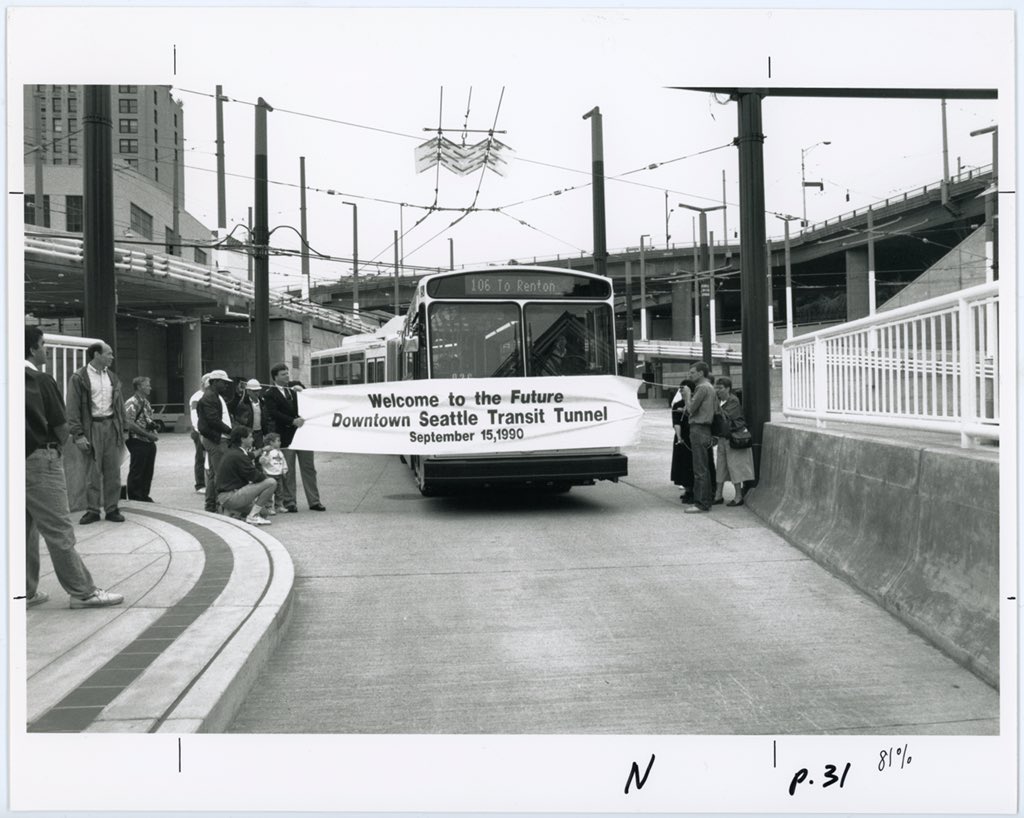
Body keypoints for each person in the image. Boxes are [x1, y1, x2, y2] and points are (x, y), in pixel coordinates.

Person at [24, 326, 124, 608]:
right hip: (39, 459)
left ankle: (24, 591)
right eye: (43, 344)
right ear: (32, 349)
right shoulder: (41, 380)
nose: (45, 349)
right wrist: (74, 438)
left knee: (22, 529)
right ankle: (83, 591)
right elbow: (60, 425)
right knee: (58, 529)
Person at [65, 339, 127, 524]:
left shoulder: (112, 378)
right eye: (108, 353)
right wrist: (78, 434)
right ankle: (92, 510)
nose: (112, 357)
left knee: (113, 471)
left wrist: (123, 429)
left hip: (111, 426)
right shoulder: (79, 377)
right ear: (96, 355)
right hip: (90, 428)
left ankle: (112, 509)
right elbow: (72, 407)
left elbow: (120, 406)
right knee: (92, 471)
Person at [264, 363, 325, 512]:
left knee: (309, 469)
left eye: (287, 373)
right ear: (275, 377)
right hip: (285, 436)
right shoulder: (269, 394)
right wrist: (292, 421)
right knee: (288, 471)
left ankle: (314, 501)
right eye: (283, 374)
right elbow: (273, 413)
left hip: (304, 436)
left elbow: (309, 398)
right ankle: (290, 502)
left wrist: (302, 391)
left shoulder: (295, 386)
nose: (287, 376)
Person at [215, 425, 278, 526]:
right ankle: (252, 516)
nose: (253, 439)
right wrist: (267, 473)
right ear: (243, 439)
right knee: (271, 482)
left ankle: (231, 511)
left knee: (264, 513)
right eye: (250, 437)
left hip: (225, 497)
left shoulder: (234, 451)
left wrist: (263, 450)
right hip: (231, 496)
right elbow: (256, 477)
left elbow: (251, 455)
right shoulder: (239, 456)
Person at [670, 378, 716, 504]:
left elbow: (692, 410)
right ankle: (690, 490)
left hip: (697, 435)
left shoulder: (700, 398)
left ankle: (704, 495)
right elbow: (676, 422)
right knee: (686, 465)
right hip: (685, 437)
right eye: (681, 390)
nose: (682, 392)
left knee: (700, 467)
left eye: (684, 390)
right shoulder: (678, 404)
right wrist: (679, 437)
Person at [197, 369, 235, 514]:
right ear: (215, 382)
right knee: (220, 474)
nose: (226, 386)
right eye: (224, 383)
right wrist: (230, 432)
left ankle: (211, 506)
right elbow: (213, 420)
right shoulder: (210, 397)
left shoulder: (213, 396)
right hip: (214, 439)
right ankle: (218, 506)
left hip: (213, 438)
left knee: (214, 474)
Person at [713, 376, 756, 506]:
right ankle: (718, 495)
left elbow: (723, 416)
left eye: (720, 388)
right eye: (717, 388)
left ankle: (738, 496)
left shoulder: (733, 401)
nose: (718, 390)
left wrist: (714, 403)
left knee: (734, 466)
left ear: (728, 388)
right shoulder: (720, 400)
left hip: (732, 437)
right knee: (721, 466)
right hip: (723, 437)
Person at [683, 361, 716, 514]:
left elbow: (690, 409)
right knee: (704, 467)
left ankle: (701, 503)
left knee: (699, 468)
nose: (690, 375)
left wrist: (687, 395)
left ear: (701, 373)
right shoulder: (710, 387)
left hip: (698, 428)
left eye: (692, 373)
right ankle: (706, 499)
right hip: (705, 429)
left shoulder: (702, 388)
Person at [123, 375, 159, 502]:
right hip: (137, 440)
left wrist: (153, 429)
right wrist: (148, 434)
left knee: (148, 470)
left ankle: (144, 495)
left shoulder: (145, 402)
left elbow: (147, 419)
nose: (150, 387)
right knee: (137, 470)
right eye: (147, 385)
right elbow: (129, 423)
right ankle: (135, 497)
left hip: (148, 441)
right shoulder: (132, 402)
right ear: (139, 387)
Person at [188, 374, 210, 494]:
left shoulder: (210, 395)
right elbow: (194, 416)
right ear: (202, 383)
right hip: (199, 432)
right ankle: (200, 484)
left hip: (207, 431)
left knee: (208, 457)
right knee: (200, 457)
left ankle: (208, 482)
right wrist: (200, 431)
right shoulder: (196, 397)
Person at [258, 432, 288, 513]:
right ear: (271, 442)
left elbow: (283, 461)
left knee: (280, 492)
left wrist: (284, 470)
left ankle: (279, 506)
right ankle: (268, 507)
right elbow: (263, 461)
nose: (280, 442)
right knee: (269, 493)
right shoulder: (268, 452)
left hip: (279, 475)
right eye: (278, 441)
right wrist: (266, 454)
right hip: (269, 475)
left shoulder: (280, 452)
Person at [234, 378, 268, 449]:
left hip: (259, 433)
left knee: (259, 452)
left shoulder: (263, 403)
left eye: (258, 391)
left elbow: (265, 419)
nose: (256, 393)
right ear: (248, 391)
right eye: (254, 391)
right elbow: (239, 419)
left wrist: (265, 433)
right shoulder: (243, 404)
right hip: (248, 433)